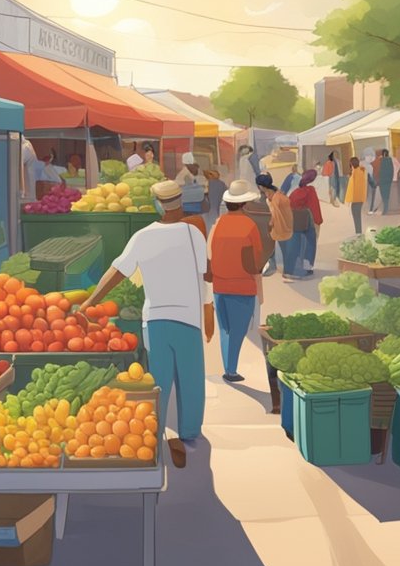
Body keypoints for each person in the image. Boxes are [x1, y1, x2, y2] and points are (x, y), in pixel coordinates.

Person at [85, 180, 211, 469]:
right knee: (191, 378)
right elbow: (206, 275)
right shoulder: (194, 234)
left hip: (155, 318)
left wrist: (91, 300)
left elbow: (116, 271)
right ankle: (190, 433)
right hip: (188, 317)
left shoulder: (142, 237)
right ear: (179, 202)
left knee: (159, 379)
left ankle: (153, 430)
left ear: (156, 203)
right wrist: (208, 309)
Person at [209, 180, 265, 386]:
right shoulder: (250, 225)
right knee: (238, 330)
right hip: (242, 287)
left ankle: (228, 367)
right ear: (245, 204)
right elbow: (256, 259)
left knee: (225, 329)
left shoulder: (220, 223)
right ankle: (231, 370)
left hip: (219, 286)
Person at [288, 169, 323, 277]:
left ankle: (294, 267)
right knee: (310, 244)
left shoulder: (295, 192)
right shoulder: (311, 191)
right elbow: (314, 207)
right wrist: (318, 221)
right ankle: (307, 267)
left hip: (295, 222)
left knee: (297, 245)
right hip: (308, 222)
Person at [258, 174, 293, 278]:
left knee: (283, 248)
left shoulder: (275, 198)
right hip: (284, 225)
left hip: (280, 227)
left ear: (261, 186)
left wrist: (270, 223)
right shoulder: (275, 194)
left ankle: (286, 270)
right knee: (284, 248)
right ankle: (286, 269)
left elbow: (275, 214)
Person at [346, 156, 368, 235]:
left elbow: (352, 188)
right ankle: (358, 232)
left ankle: (358, 233)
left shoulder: (355, 173)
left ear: (351, 164)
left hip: (355, 199)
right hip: (360, 198)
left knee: (356, 217)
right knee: (358, 216)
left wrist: (348, 200)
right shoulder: (362, 171)